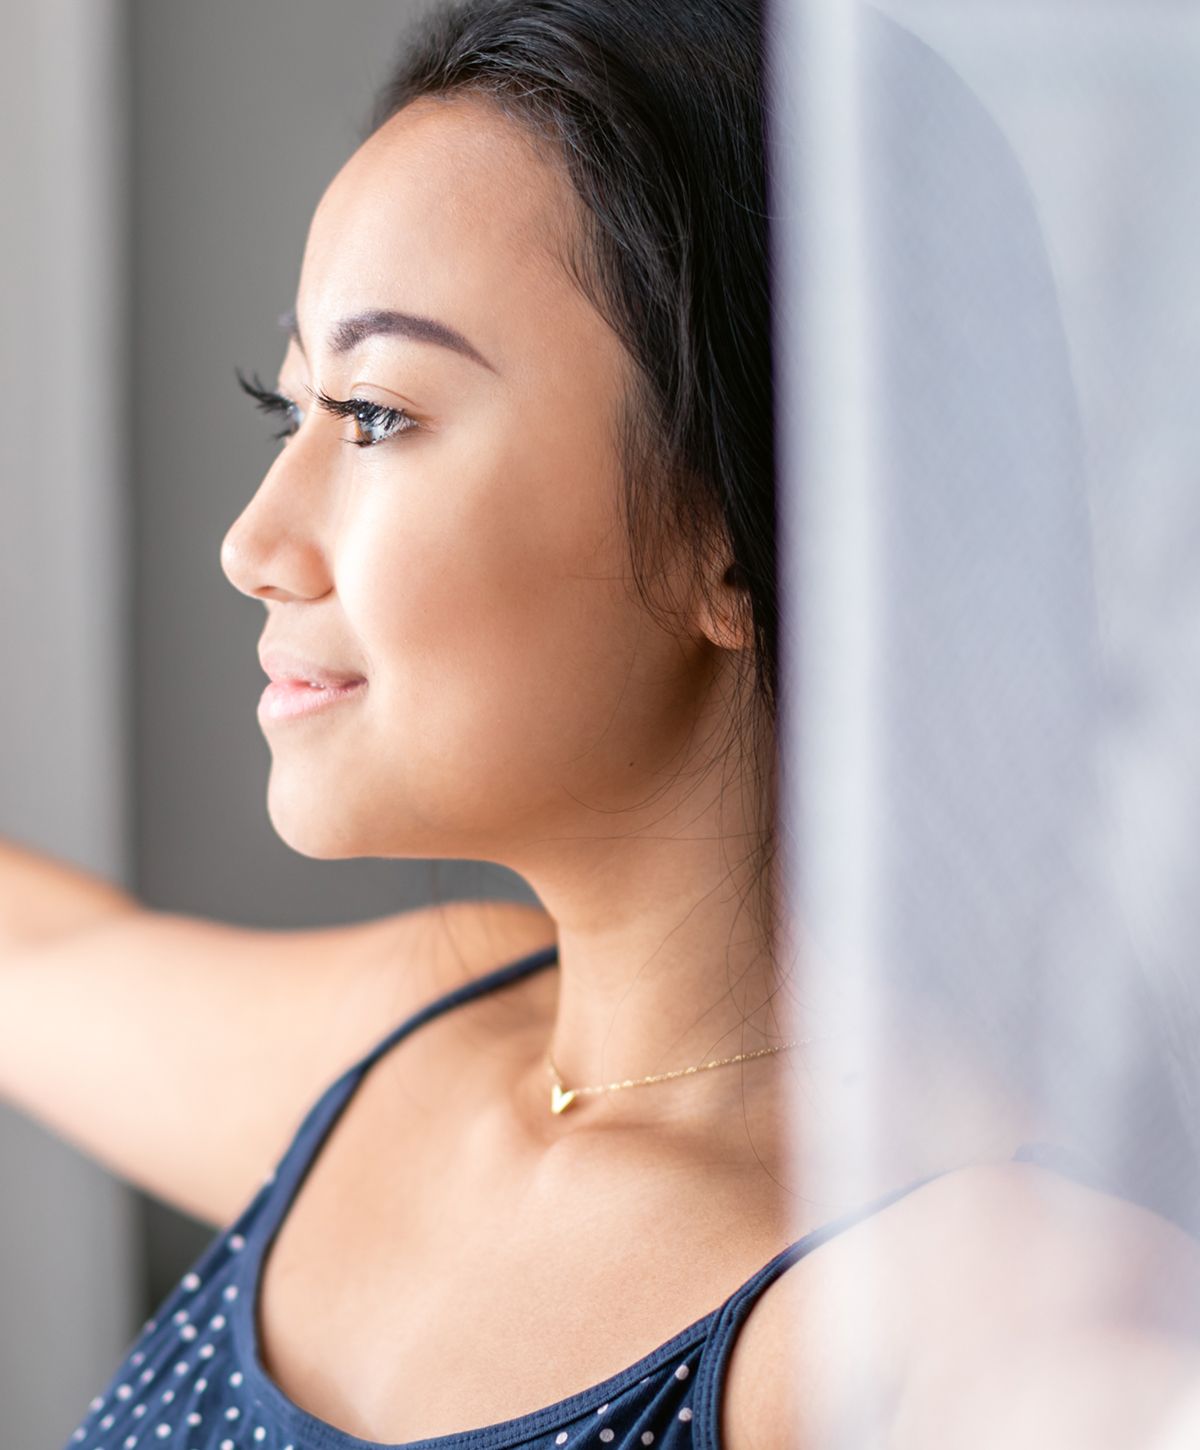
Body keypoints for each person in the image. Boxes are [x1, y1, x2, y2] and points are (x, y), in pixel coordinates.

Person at [1, 2, 1198, 1447]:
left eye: (374, 414)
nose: (253, 544)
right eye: (289, 405)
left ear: (744, 534)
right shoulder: (396, 1047)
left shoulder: (965, 1308)